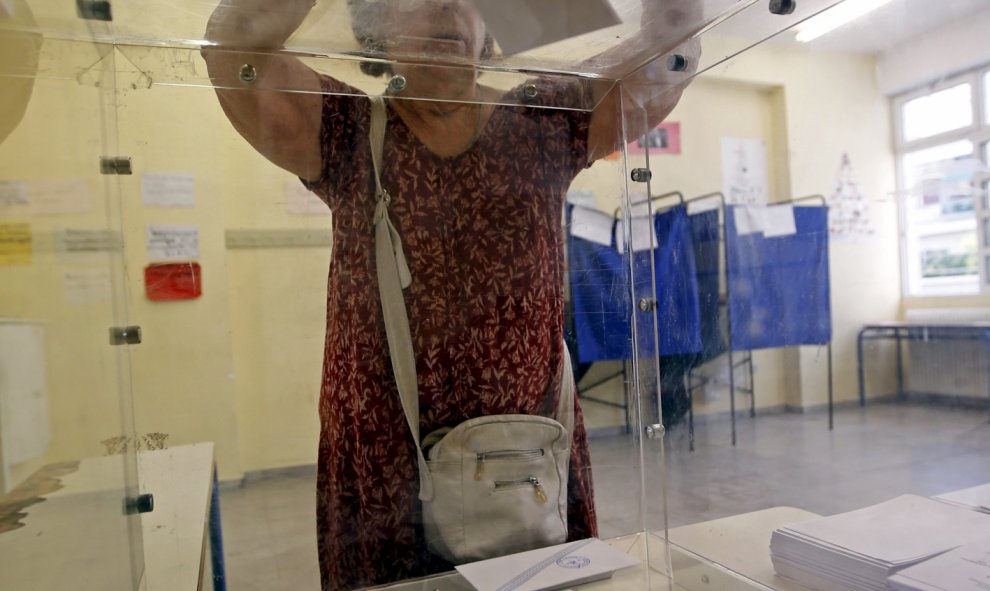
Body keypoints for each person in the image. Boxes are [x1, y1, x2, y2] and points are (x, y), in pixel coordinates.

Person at [203, 1, 698, 588]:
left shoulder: (542, 118)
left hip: (529, 456)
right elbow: (232, 43)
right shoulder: (347, 129)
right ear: (375, 29)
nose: (447, 5)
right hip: (387, 475)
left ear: (491, 25)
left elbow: (673, 44)